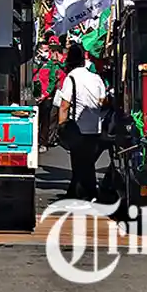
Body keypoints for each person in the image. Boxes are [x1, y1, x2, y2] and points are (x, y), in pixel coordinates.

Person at [56, 43, 107, 200]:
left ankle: (85, 194)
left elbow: (64, 105)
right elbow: (103, 101)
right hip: (95, 128)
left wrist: (61, 126)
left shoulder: (71, 78)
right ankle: (79, 193)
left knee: (79, 163)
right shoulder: (96, 78)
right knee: (87, 162)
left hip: (78, 128)